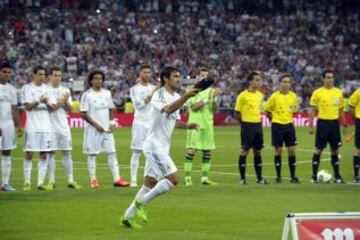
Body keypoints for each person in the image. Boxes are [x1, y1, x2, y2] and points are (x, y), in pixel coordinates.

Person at [121, 66, 199, 228]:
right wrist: (186, 97)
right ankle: (143, 203)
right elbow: (168, 109)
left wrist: (188, 125)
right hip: (154, 145)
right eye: (175, 76)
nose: (179, 79)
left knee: (149, 182)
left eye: (179, 76)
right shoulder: (159, 94)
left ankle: (127, 217)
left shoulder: (176, 96)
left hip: (163, 146)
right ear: (165, 78)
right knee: (174, 179)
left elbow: (175, 120)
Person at [80, 70, 129, 188]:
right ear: (91, 80)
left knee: (112, 153)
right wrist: (96, 125)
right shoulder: (87, 95)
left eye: (100, 78)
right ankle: (93, 180)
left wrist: (112, 122)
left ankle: (117, 179)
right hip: (93, 130)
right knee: (92, 155)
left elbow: (111, 109)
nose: (98, 80)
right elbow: (83, 113)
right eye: (96, 78)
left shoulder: (107, 93)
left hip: (107, 130)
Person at [308, 70, 346, 183]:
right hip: (323, 124)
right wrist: (311, 125)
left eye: (332, 77)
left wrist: (344, 123)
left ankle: (337, 176)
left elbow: (341, 109)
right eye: (328, 77)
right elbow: (313, 110)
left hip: (334, 124)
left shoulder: (338, 92)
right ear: (323, 79)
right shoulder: (317, 93)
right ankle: (314, 176)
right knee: (318, 150)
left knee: (335, 150)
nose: (330, 79)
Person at [46, 67, 81, 190]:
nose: (57, 78)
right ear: (50, 76)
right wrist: (62, 101)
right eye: (55, 75)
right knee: (51, 154)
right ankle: (51, 181)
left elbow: (71, 110)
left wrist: (65, 102)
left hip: (64, 126)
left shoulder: (65, 90)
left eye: (59, 75)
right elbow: (52, 108)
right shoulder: (46, 90)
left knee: (67, 153)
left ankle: (70, 180)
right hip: (50, 127)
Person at [184, 68, 219, 186]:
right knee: (192, 150)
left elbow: (214, 110)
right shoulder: (191, 90)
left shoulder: (212, 91)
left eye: (206, 76)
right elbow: (194, 107)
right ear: (198, 77)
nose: (205, 78)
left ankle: (204, 178)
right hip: (196, 124)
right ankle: (188, 178)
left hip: (208, 124)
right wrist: (206, 99)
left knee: (207, 152)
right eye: (202, 76)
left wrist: (214, 100)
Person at [263, 74, 300, 184]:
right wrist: (273, 120)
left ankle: (293, 177)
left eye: (288, 82)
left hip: (289, 125)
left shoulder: (293, 96)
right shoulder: (274, 96)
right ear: (280, 83)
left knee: (292, 151)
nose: (286, 84)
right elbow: (267, 110)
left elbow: (294, 111)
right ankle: (278, 176)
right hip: (277, 125)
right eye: (284, 82)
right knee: (278, 151)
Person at [21, 66, 53, 191]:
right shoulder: (27, 88)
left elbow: (52, 108)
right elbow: (27, 107)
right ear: (34, 75)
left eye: (44, 74)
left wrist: (47, 103)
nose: (42, 77)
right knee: (29, 154)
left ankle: (40, 183)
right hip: (32, 127)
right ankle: (27, 182)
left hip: (46, 127)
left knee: (44, 155)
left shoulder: (48, 89)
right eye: (40, 74)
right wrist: (39, 101)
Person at [234, 72, 268, 185]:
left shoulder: (260, 95)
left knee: (258, 152)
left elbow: (262, 109)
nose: (259, 82)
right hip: (247, 126)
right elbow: (237, 113)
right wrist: (244, 123)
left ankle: (259, 178)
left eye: (259, 80)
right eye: (256, 80)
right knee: (244, 151)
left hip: (258, 125)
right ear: (250, 81)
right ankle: (242, 179)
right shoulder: (242, 96)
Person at [129, 65, 158, 187]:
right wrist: (152, 95)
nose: (147, 74)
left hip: (152, 123)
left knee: (150, 152)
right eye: (145, 72)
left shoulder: (154, 88)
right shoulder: (134, 89)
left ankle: (148, 179)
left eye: (149, 72)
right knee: (137, 151)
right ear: (140, 74)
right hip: (140, 123)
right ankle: (133, 180)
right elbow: (139, 105)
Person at [0, 63, 22, 191]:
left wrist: (18, 124)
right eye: (4, 72)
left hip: (8, 124)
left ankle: (5, 184)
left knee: (7, 152)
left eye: (9, 72)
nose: (7, 74)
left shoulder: (12, 89)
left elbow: (14, 108)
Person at [348, 88, 360, 183]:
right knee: (358, 149)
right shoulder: (358, 92)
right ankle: (356, 176)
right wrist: (356, 120)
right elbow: (351, 106)